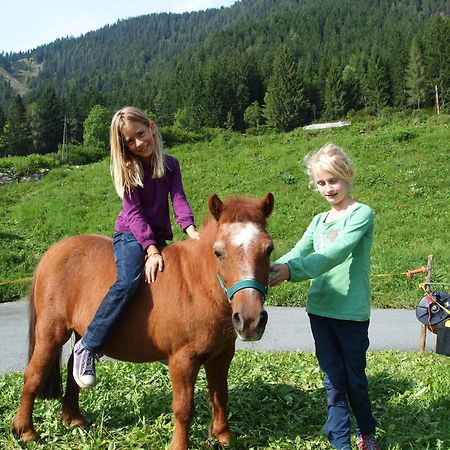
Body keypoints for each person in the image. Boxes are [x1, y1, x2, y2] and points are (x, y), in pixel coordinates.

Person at [73, 106, 200, 389]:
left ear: (151, 128)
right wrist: (151, 249)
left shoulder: (170, 165)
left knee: (169, 284)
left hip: (158, 237)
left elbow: (178, 199)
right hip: (131, 235)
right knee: (129, 280)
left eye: (140, 135)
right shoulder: (128, 169)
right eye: (130, 141)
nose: (138, 143)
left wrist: (191, 231)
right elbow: (134, 214)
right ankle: (88, 345)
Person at [269, 143, 379, 450]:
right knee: (333, 380)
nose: (328, 188)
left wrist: (293, 271)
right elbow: (297, 251)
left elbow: (335, 253)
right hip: (319, 311)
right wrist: (269, 267)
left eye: (333, 180)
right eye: (321, 183)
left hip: (351, 314)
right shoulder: (319, 221)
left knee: (354, 380)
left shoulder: (361, 214)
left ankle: (367, 432)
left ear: (348, 176)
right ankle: (341, 441)